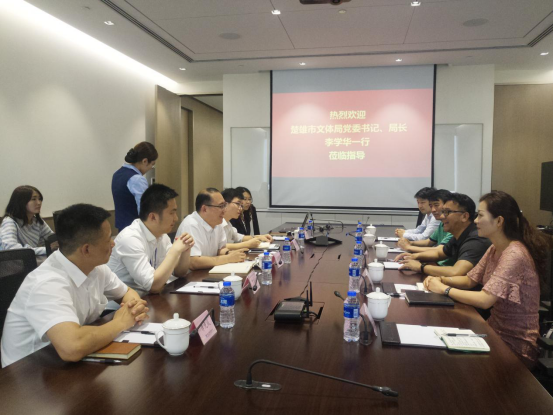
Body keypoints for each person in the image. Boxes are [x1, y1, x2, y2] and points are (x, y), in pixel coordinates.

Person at [1, 204, 149, 368]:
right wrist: (121, 322)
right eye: (108, 239)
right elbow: (72, 347)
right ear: (86, 249)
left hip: (61, 362)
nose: (113, 243)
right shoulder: (47, 283)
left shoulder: (95, 267)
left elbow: (127, 292)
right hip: (27, 372)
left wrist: (134, 309)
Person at [423, 191, 551, 368]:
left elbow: (485, 300)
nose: (475, 221)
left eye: (481, 216)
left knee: (448, 364)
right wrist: (440, 279)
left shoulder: (515, 254)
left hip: (515, 344)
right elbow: (469, 280)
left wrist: (444, 289)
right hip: (492, 331)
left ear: (499, 221)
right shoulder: (494, 248)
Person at [107, 184, 194, 302]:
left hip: (147, 299)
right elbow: (153, 285)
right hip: (120, 307)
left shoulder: (162, 235)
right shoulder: (130, 238)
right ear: (153, 217)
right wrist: (175, 250)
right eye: (172, 213)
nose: (176, 218)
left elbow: (179, 272)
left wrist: (185, 251)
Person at [398, 193, 491, 277]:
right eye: (443, 212)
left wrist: (421, 267)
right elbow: (439, 253)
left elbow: (456, 271)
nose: (442, 216)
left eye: (447, 212)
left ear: (464, 216)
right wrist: (414, 256)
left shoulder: (476, 239)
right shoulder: (459, 234)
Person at [176, 188, 247, 270]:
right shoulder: (191, 225)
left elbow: (220, 249)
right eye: (221, 206)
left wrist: (230, 253)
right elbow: (193, 262)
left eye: (224, 205)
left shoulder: (217, 223)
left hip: (209, 271)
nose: (224, 210)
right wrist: (228, 258)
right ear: (204, 209)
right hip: (191, 276)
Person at [396, 189, 455, 266]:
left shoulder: (454, 226)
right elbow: (428, 242)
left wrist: (408, 247)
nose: (433, 210)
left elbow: (439, 250)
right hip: (436, 262)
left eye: (436, 205)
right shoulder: (442, 223)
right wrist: (410, 243)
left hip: (443, 266)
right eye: (431, 206)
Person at [111, 141, 158, 232]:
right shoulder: (137, 179)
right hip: (135, 229)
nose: (151, 168)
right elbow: (144, 210)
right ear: (145, 161)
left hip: (122, 227)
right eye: (152, 164)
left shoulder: (117, 174)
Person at [0, 185, 54, 256]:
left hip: (30, 259)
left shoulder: (37, 221)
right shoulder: (9, 222)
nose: (39, 203)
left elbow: (52, 239)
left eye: (40, 199)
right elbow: (11, 249)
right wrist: (47, 249)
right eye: (33, 199)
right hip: (15, 262)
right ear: (21, 202)